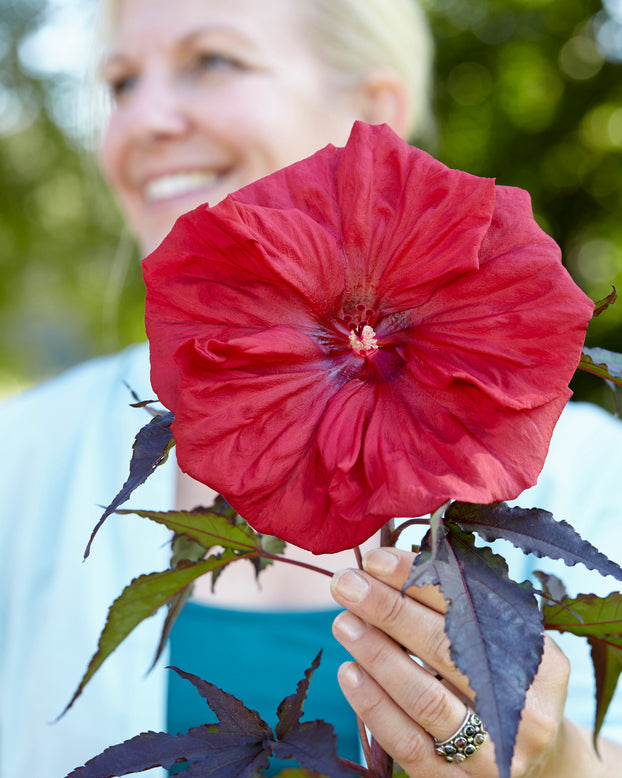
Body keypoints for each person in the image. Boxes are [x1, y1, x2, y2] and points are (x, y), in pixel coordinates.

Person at [1, 1, 620, 777]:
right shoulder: (18, 458)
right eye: (121, 82)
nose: (143, 118)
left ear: (374, 108)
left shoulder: (599, 476)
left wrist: (555, 762)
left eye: (212, 59)